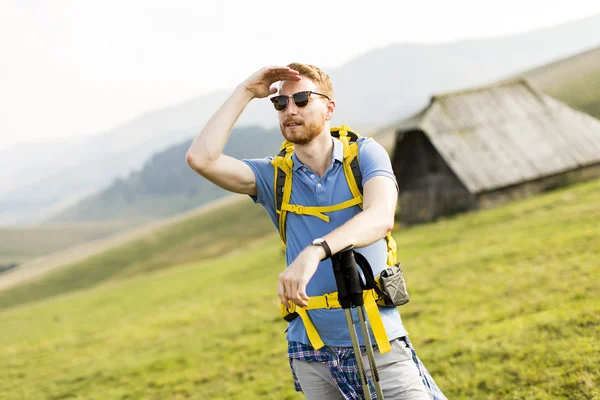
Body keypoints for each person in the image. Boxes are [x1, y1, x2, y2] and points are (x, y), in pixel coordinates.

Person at [186, 63, 446, 400]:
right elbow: (201, 159)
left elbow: (381, 216)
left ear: (329, 108)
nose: (290, 110)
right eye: (281, 103)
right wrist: (246, 91)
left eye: (303, 99)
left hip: (379, 342)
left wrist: (316, 250)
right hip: (311, 353)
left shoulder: (365, 154)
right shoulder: (274, 177)